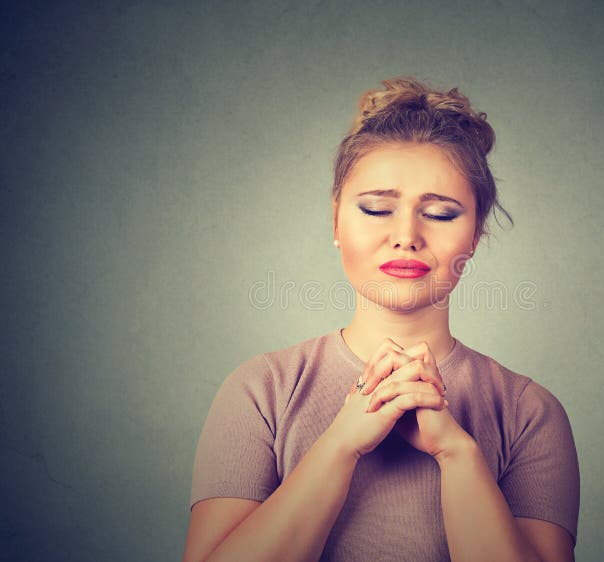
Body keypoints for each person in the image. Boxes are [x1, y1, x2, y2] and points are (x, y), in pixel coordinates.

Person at [181, 77, 580, 562]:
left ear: (474, 234)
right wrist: (342, 443)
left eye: (440, 214)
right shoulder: (262, 389)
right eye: (376, 209)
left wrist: (457, 454)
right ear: (335, 221)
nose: (406, 235)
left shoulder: (528, 411)